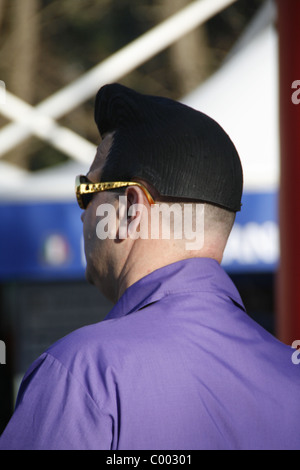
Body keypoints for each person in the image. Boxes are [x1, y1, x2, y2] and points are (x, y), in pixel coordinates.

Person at [0, 83, 299, 450]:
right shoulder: (291, 376)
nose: (82, 215)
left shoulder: (81, 374)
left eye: (86, 191)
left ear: (130, 208)